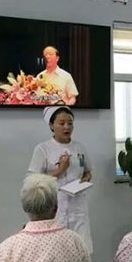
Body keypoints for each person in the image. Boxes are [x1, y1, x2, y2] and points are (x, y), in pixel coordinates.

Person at [28, 106, 94, 253]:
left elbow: (87, 171)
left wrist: (86, 178)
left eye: (70, 123)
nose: (67, 127)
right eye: (62, 123)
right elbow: (33, 181)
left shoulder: (79, 148)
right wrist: (59, 171)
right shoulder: (43, 149)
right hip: (54, 208)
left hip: (78, 207)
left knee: (81, 250)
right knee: (57, 252)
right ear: (51, 125)